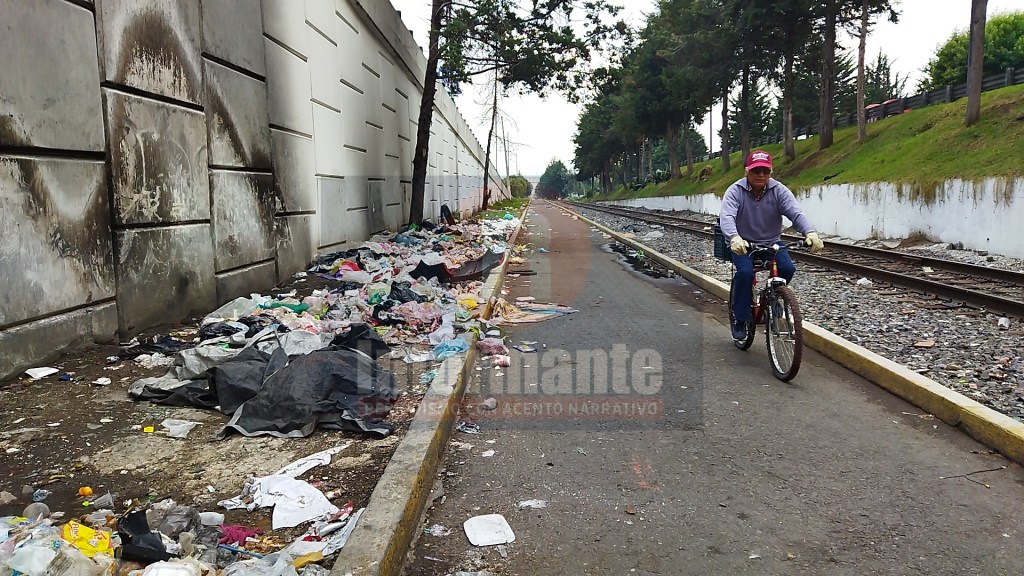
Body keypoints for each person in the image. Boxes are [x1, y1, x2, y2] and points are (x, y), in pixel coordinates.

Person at [719, 150, 824, 340]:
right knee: (745, 273)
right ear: (746, 172)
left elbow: (795, 212)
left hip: (771, 243)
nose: (761, 175)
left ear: (770, 172)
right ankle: (740, 320)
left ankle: (775, 301)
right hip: (743, 244)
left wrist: (810, 232)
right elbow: (726, 217)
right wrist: (734, 238)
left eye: (765, 171)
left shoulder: (779, 190)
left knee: (787, 268)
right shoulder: (735, 191)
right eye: (756, 170)